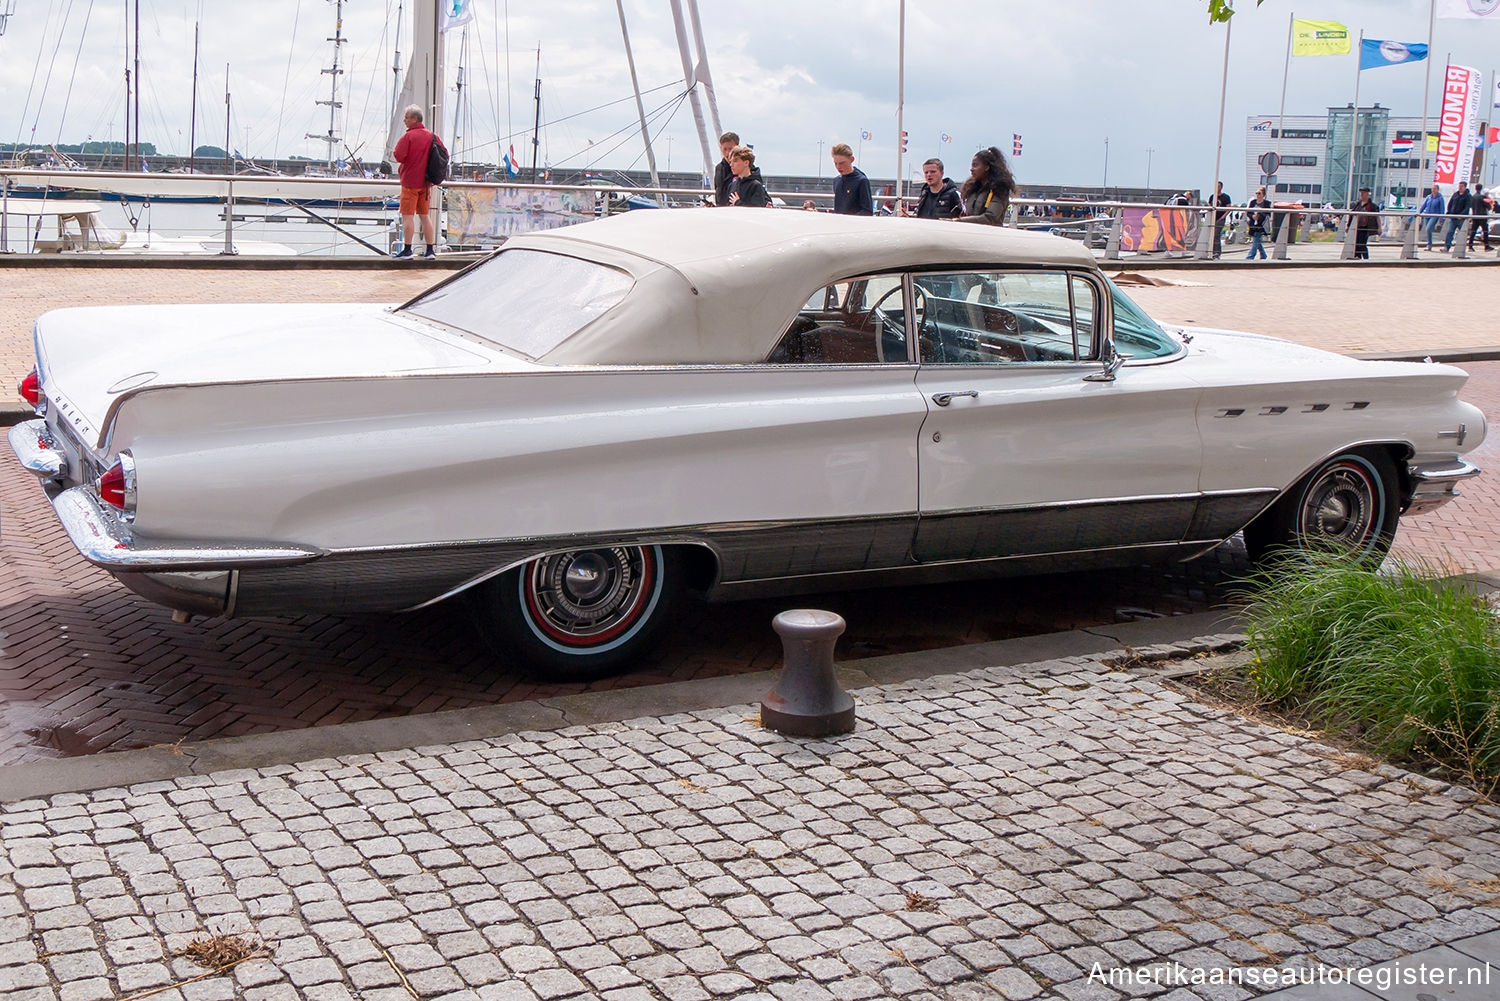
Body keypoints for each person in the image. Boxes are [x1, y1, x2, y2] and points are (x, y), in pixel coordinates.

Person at [391, 104, 444, 259]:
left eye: (406, 117)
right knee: (424, 216)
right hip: (426, 183)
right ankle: (430, 250)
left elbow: (399, 155)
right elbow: (443, 153)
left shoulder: (408, 136)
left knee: (407, 216)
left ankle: (407, 249)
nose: (404, 120)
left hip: (410, 182)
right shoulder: (432, 136)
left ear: (414, 119)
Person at [804, 143, 872, 214]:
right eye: (835, 163)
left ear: (852, 159)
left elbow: (867, 211)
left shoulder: (862, 181)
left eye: (842, 163)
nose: (838, 167)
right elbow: (839, 209)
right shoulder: (837, 180)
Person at [957, 146, 1016, 225]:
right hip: (971, 232)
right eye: (972, 166)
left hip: (989, 234)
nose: (971, 169)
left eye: (975, 165)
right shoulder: (972, 188)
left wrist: (959, 220)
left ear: (987, 167)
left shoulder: (999, 188)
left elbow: (990, 218)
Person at [713, 131, 740, 207]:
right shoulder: (719, 168)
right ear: (721, 148)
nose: (728, 153)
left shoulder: (746, 168)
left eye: (731, 149)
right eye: (725, 149)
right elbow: (718, 191)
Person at [1443, 181, 1471, 252]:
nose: (1460, 188)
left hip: (1461, 218)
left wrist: (1462, 215)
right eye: (1459, 186)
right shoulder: (1455, 194)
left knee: (1462, 233)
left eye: (1461, 186)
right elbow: (1450, 203)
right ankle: (1447, 247)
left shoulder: (1468, 196)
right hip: (1453, 217)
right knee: (1450, 232)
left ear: (1465, 187)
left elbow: (1467, 207)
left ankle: (1461, 248)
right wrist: (1449, 212)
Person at [1352, 187, 1379, 259]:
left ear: (1367, 194)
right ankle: (1357, 257)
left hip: (1366, 227)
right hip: (1357, 227)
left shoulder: (1372, 206)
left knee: (1362, 244)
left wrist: (1379, 227)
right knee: (1356, 244)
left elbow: (1377, 217)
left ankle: (1365, 258)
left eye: (1363, 193)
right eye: (1361, 193)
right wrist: (1348, 225)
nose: (1361, 195)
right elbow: (1352, 215)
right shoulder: (1357, 205)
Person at [1245, 186, 1271, 260]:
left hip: (1261, 224)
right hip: (1253, 223)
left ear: (1263, 194)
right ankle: (1263, 255)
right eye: (1256, 193)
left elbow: (1267, 214)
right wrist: (1252, 216)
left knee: (1256, 238)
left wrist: (1259, 216)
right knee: (1257, 240)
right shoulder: (1253, 202)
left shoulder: (1266, 204)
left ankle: (1250, 256)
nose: (1257, 195)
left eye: (1259, 193)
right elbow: (1248, 212)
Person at [1419, 184, 1445, 251]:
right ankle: (1429, 244)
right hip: (1427, 215)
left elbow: (1442, 208)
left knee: (1428, 228)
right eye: (1432, 189)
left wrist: (1441, 218)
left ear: (1437, 190)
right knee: (1428, 230)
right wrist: (1419, 212)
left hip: (1435, 215)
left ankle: (1429, 244)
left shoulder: (1440, 198)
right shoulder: (1428, 197)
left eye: (1434, 189)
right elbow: (1424, 206)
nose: (1433, 190)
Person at [1468, 183, 1492, 252]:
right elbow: (1488, 206)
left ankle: (1470, 246)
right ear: (1481, 189)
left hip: (1475, 215)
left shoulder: (1473, 197)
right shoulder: (1482, 197)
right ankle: (1486, 246)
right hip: (1482, 216)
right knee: (1485, 231)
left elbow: (1471, 205)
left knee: (1473, 231)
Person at [1211, 181, 1231, 258]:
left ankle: (1217, 252)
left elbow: (1229, 208)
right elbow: (1210, 206)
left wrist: (1223, 216)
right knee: (1212, 235)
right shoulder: (1212, 196)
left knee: (1216, 234)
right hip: (1213, 218)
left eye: (1219, 186)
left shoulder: (1225, 197)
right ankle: (1212, 251)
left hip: (1220, 218)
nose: (1217, 188)